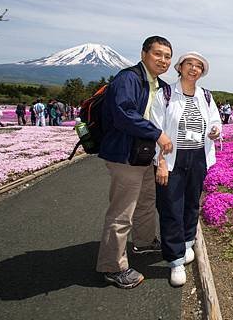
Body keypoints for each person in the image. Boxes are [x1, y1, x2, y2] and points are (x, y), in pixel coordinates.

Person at [95, 36, 174, 289]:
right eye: (158, 54)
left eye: (167, 56)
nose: (163, 60)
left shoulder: (159, 85)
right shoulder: (128, 78)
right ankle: (112, 267)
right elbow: (124, 114)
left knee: (146, 201)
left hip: (144, 156)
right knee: (122, 212)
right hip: (125, 155)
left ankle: (144, 241)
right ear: (143, 54)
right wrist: (158, 134)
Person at [151, 51, 221, 287]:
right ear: (179, 67)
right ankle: (175, 260)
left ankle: (188, 243)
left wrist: (214, 130)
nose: (194, 68)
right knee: (171, 206)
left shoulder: (207, 96)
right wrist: (160, 162)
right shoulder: (166, 94)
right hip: (172, 157)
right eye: (189, 64)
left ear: (202, 72)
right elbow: (156, 130)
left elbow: (215, 121)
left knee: (192, 202)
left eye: (198, 66)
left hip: (198, 156)